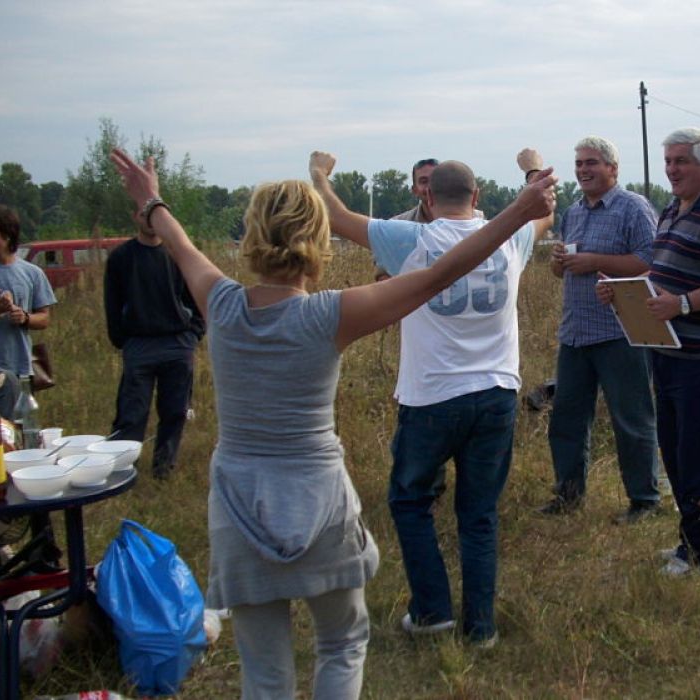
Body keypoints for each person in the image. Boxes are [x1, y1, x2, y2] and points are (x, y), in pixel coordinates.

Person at [110, 148, 556, 699]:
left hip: (239, 507)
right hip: (320, 504)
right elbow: (444, 271)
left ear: (251, 236)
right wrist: (517, 212)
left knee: (265, 670)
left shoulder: (220, 305)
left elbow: (179, 244)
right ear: (316, 242)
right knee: (342, 644)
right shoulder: (330, 314)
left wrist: (149, 198)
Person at [309, 149, 554, 648]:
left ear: (426, 195)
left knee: (410, 500)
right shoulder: (512, 238)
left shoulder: (409, 239)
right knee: (479, 514)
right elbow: (544, 211)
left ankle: (432, 611)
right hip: (496, 393)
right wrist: (532, 168)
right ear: (477, 196)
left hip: (431, 397)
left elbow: (334, 216)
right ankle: (480, 628)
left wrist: (318, 172)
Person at [600, 127, 700, 577]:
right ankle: (694, 539)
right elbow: (664, 270)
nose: (672, 170)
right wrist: (626, 293)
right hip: (668, 350)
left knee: (699, 453)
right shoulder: (673, 208)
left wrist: (682, 304)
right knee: (674, 449)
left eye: (681, 161)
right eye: (668, 162)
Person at [528, 138, 661, 523]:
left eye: (592, 163)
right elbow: (564, 270)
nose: (583, 170)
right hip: (575, 334)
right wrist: (559, 262)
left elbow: (652, 262)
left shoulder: (633, 208)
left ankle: (644, 501)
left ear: (613, 169)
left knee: (631, 419)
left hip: (621, 332)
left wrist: (595, 261)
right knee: (567, 419)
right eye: (579, 164)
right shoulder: (573, 212)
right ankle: (568, 496)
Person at [104, 211, 206, 479]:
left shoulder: (178, 256)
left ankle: (164, 469)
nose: (147, 220)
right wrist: (124, 341)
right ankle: (122, 472)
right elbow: (112, 305)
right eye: (141, 213)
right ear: (135, 216)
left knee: (175, 411)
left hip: (178, 343)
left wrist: (193, 334)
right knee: (131, 413)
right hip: (139, 345)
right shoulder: (121, 258)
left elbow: (196, 298)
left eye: (152, 214)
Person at [0, 205, 56, 382]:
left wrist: (24, 318)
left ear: (7, 234)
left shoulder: (33, 273)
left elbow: (44, 319)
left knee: (20, 411)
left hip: (20, 368)